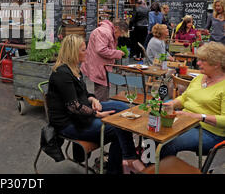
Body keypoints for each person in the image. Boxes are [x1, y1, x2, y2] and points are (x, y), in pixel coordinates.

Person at [47, 34, 145, 174]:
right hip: (69, 123)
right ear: (73, 52)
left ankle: (125, 158)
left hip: (82, 113)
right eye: (83, 50)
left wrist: (93, 99)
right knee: (121, 127)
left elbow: (84, 94)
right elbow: (74, 107)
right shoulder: (62, 74)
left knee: (123, 108)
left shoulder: (74, 69)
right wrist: (96, 114)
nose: (87, 52)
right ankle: (119, 166)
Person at [161, 42, 225, 158]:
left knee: (167, 142)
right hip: (186, 123)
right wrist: (173, 103)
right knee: (154, 132)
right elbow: (185, 97)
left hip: (210, 132)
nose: (198, 63)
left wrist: (199, 117)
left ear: (216, 64)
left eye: (203, 60)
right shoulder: (200, 78)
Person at [81, 19, 129, 102]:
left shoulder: (106, 31)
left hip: (99, 66)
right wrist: (117, 53)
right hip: (99, 67)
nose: (120, 35)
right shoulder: (104, 32)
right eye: (121, 33)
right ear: (116, 28)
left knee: (103, 92)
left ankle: (100, 110)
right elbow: (101, 50)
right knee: (101, 96)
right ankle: (98, 112)